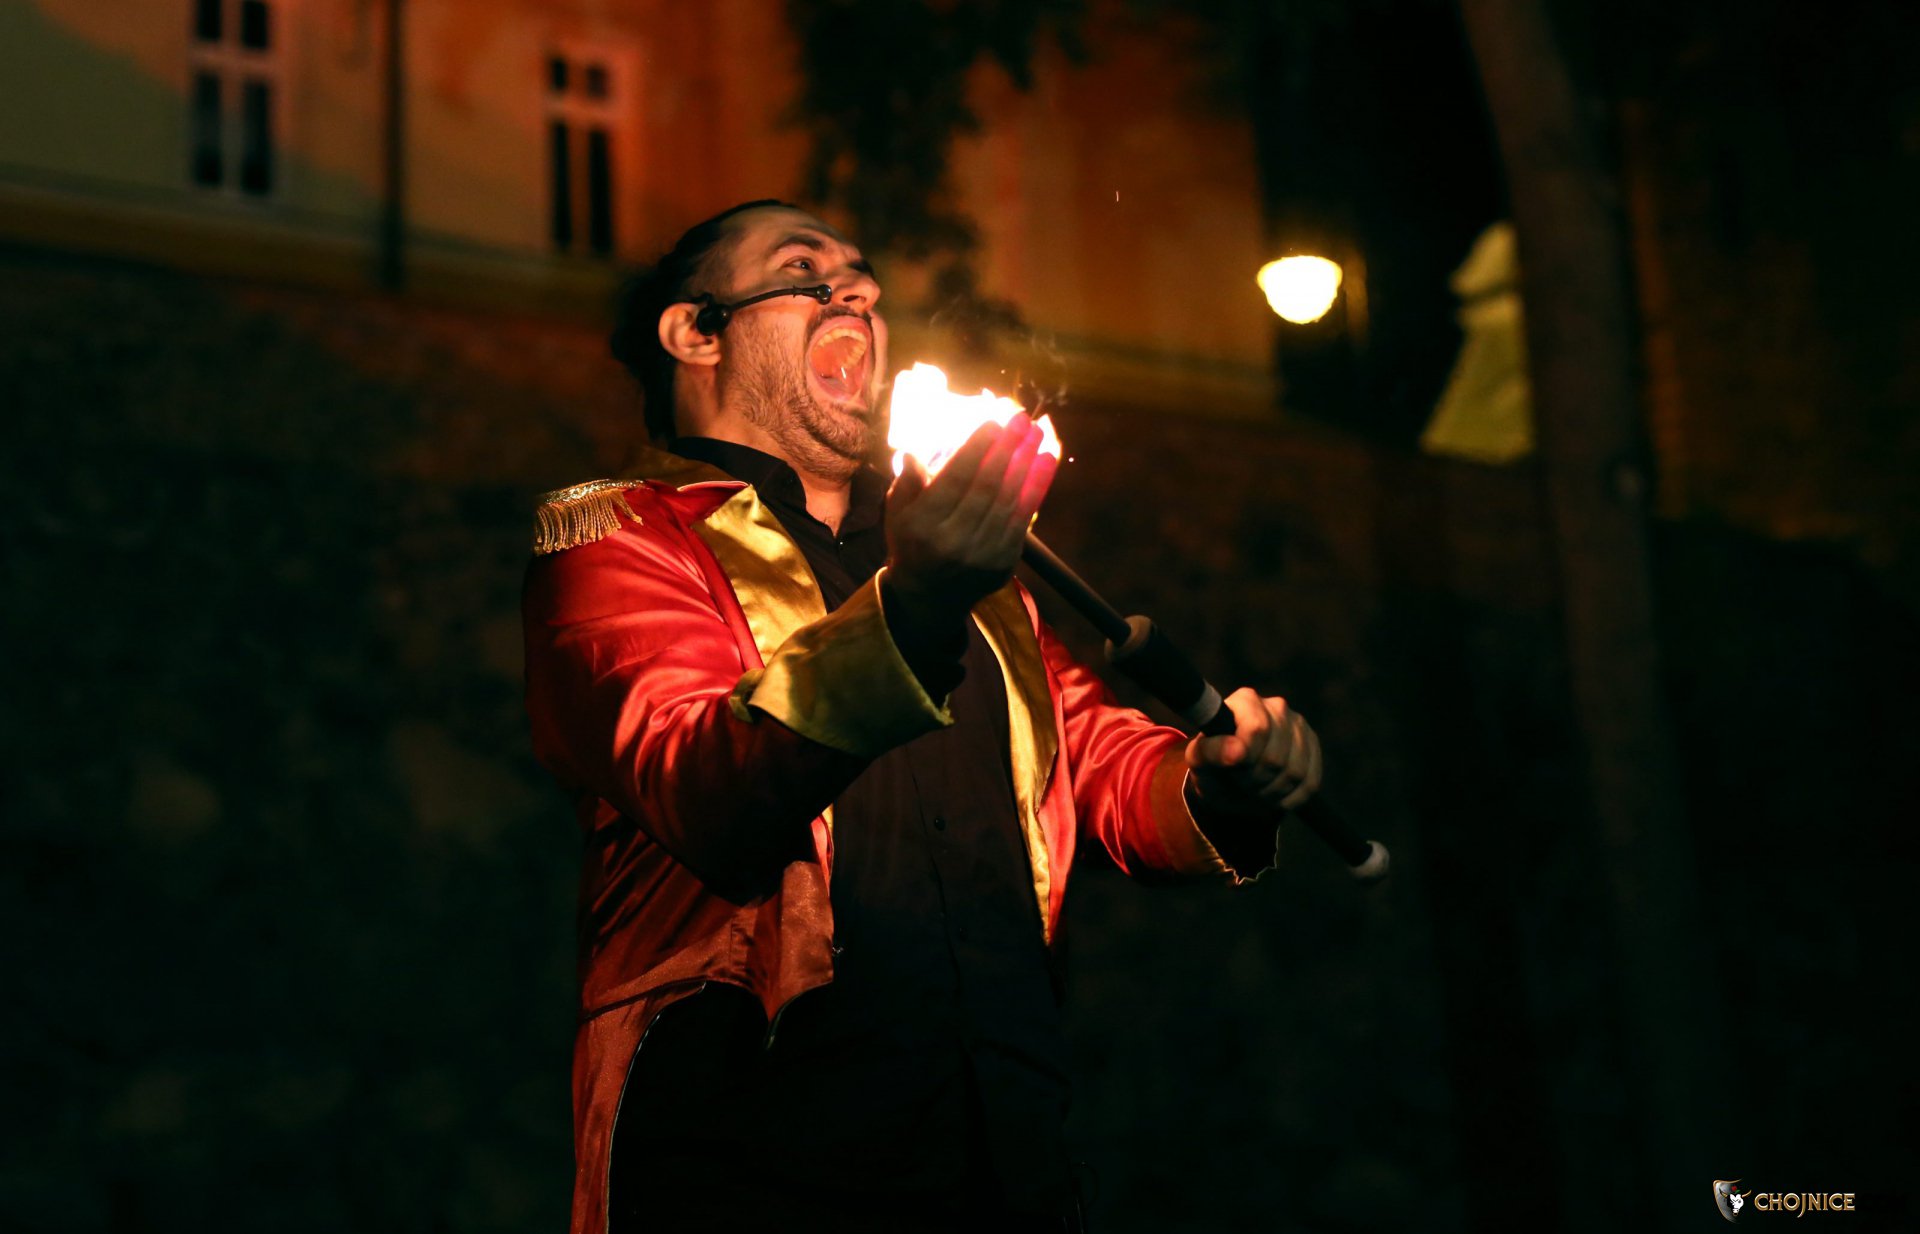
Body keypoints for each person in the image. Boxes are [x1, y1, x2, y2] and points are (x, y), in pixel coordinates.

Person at [521, 200, 1323, 1234]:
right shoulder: (622, 538)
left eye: (863, 280)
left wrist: (1219, 781)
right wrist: (914, 607)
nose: (855, 293)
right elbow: (703, 780)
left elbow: (1100, 764)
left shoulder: (986, 584)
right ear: (697, 331)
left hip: (1003, 1151)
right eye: (803, 271)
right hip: (749, 1149)